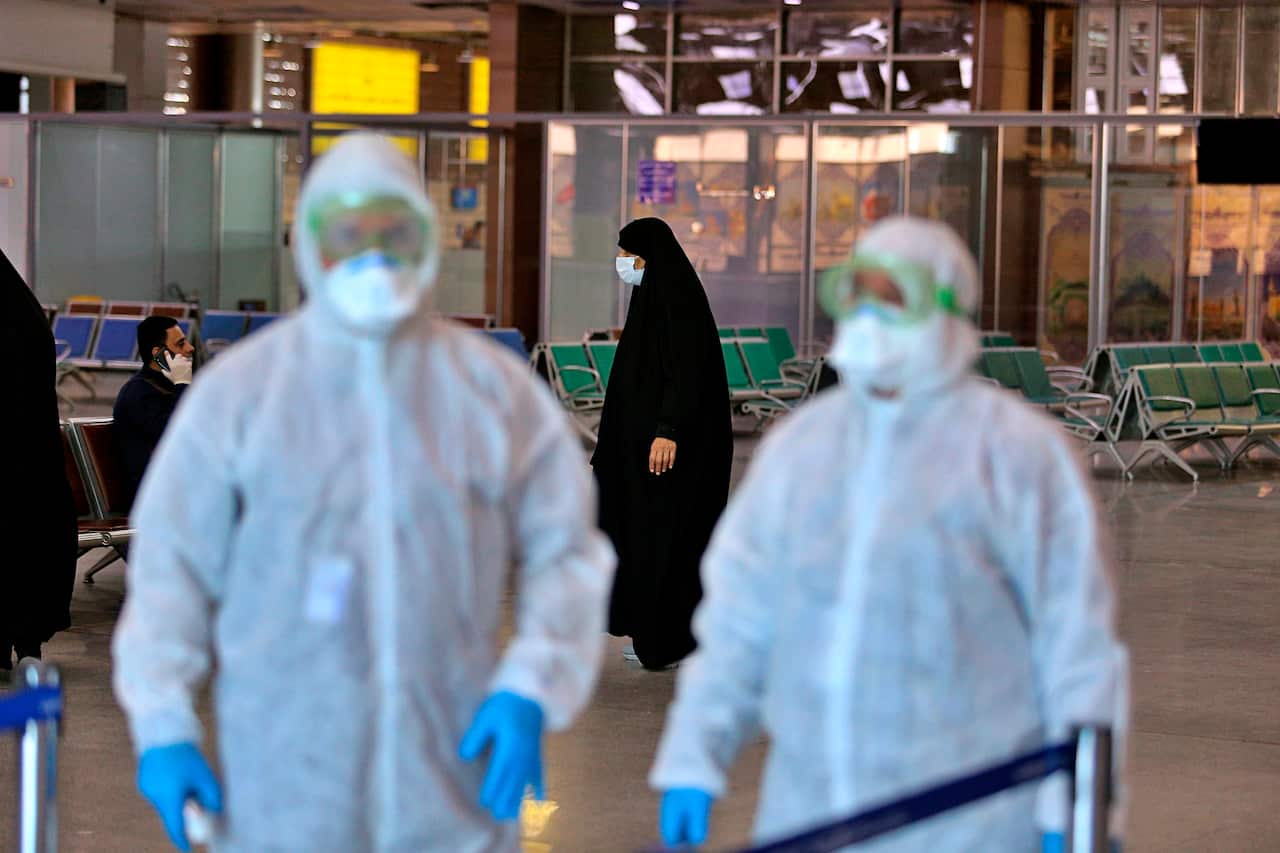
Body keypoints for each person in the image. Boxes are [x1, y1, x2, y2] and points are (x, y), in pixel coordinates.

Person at [112, 134, 615, 852]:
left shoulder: (491, 391)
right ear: (311, 243)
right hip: (285, 781)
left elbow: (565, 547)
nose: (373, 255)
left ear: (427, 239)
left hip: (450, 776)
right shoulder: (242, 394)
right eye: (349, 233)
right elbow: (171, 565)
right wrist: (163, 723)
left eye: (395, 232)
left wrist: (532, 681)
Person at [651, 217, 1129, 851]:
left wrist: (1074, 812)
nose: (871, 315)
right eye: (860, 294)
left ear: (948, 311)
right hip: (813, 812)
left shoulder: (1016, 456)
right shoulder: (802, 450)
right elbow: (741, 621)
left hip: (977, 819)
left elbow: (1076, 648)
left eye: (894, 297)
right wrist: (694, 755)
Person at [593, 217, 732, 671]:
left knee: (665, 539)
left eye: (626, 254)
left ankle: (666, 637)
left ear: (647, 255)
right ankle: (649, 628)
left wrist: (668, 430)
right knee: (643, 537)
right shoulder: (650, 296)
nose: (621, 263)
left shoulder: (678, 300)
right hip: (642, 451)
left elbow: (686, 373)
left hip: (666, 451)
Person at [0, 248, 77, 677]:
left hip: (11, 463)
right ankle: (27, 644)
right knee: (26, 548)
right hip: (33, 463)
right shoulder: (26, 316)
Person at [113, 315, 195, 510]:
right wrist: (183, 383)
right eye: (180, 344)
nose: (190, 348)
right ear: (159, 354)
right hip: (154, 499)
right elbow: (175, 433)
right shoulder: (138, 393)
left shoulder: (170, 387)